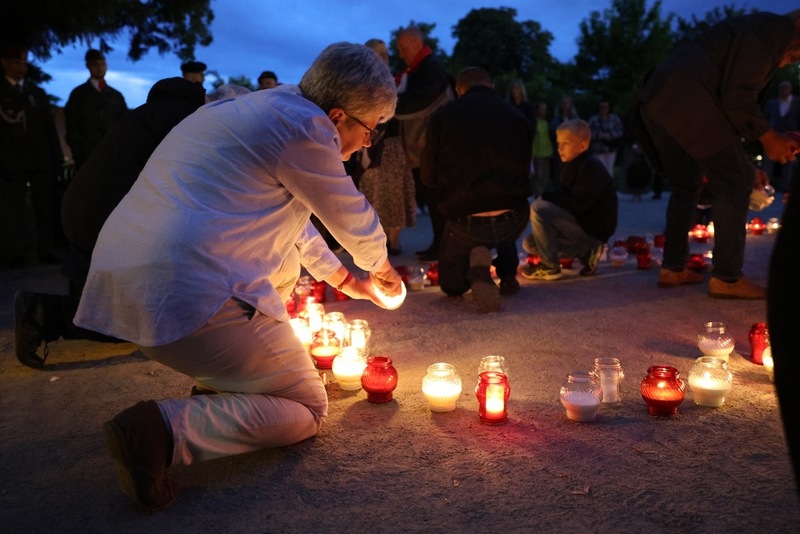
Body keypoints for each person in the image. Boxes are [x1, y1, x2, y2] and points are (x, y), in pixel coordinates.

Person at [73, 42, 404, 511]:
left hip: (127, 286)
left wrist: (350, 282)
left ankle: (227, 384)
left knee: (280, 274)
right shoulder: (304, 128)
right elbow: (352, 218)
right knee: (308, 407)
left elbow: (296, 220)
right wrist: (383, 269)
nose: (367, 143)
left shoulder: (260, 109)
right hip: (187, 289)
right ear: (337, 117)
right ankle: (159, 431)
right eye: (371, 130)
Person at [13, 77, 208, 369]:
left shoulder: (146, 115)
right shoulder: (179, 120)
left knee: (120, 312)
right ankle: (42, 313)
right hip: (105, 221)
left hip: (83, 212)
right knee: (139, 324)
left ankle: (47, 311)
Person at [637, 10, 800, 299]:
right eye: (795, 57)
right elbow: (736, 96)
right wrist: (769, 138)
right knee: (735, 181)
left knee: (687, 183)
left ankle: (672, 267)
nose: (794, 61)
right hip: (689, 97)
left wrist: (747, 160)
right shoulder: (773, 31)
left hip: (659, 98)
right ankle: (727, 277)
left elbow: (727, 113)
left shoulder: (759, 31)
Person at [421, 67, 532, 312]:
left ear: (459, 91)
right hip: (512, 220)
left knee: (451, 287)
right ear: (491, 87)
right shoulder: (517, 115)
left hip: (465, 223)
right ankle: (508, 273)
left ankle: (478, 270)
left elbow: (428, 176)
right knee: (501, 199)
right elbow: (525, 171)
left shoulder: (442, 117)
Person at [521, 119, 618, 281]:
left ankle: (550, 267)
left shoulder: (591, 167)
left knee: (538, 208)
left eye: (565, 143)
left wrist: (546, 198)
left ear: (582, 145)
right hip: (580, 226)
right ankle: (588, 252)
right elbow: (564, 196)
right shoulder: (569, 164)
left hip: (593, 228)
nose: (559, 148)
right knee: (530, 243)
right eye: (558, 143)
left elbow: (578, 204)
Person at [394, 25, 454, 262]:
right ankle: (440, 243)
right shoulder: (422, 69)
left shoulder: (430, 70)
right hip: (425, 148)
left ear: (417, 44)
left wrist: (387, 103)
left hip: (431, 148)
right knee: (433, 199)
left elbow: (416, 103)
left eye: (403, 48)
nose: (400, 54)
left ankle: (444, 245)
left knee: (437, 199)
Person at [0, 45, 64, 268]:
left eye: (25, 62)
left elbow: (49, 128)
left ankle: (45, 248)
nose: (21, 66)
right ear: (5, 63)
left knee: (44, 207)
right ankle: (14, 252)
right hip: (11, 162)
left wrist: (56, 158)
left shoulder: (36, 93)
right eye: (17, 61)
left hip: (39, 160)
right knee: (12, 209)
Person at [350, 38, 415, 256]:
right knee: (374, 193)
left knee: (394, 193)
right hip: (370, 142)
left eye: (385, 53)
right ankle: (378, 242)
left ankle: (394, 242)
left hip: (393, 144)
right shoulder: (360, 81)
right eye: (378, 53)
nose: (383, 57)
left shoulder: (398, 79)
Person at [64, 49, 128, 170]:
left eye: (102, 64)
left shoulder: (116, 96)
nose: (100, 68)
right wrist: (78, 154)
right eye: (95, 64)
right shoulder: (78, 95)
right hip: (87, 155)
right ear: (88, 66)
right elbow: (72, 126)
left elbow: (124, 125)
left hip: (111, 155)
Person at [762, 80, 800, 192]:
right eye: (781, 88)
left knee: (789, 163)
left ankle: (785, 187)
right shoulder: (771, 102)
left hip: (791, 136)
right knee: (768, 162)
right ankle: (765, 186)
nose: (784, 90)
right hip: (772, 134)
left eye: (786, 88)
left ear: (790, 89)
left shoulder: (797, 102)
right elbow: (765, 118)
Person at [588, 99, 625, 177]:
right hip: (597, 150)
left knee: (609, 172)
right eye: (602, 107)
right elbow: (588, 133)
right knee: (598, 172)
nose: (604, 109)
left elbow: (620, 131)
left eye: (606, 107)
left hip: (611, 150)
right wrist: (601, 135)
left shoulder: (615, 119)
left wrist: (610, 135)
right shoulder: (593, 119)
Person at [532, 101, 554, 197]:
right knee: (539, 178)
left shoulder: (547, 122)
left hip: (547, 153)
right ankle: (538, 199)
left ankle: (543, 199)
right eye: (541, 108)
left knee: (545, 178)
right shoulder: (534, 122)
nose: (543, 111)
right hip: (538, 154)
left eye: (544, 109)